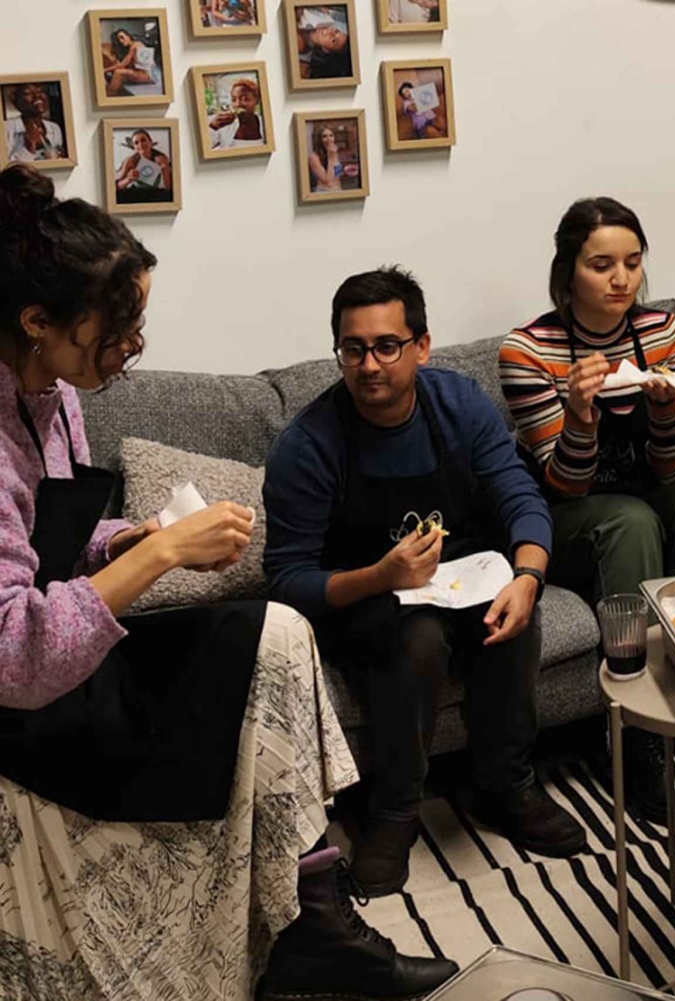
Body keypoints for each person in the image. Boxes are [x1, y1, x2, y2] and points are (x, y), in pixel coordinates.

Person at [0, 163, 455, 1001]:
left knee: (273, 634)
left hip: (68, 654)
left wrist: (133, 538)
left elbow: (48, 544)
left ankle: (312, 921)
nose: (133, 347)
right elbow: (16, 658)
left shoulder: (53, 394)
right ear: (38, 322)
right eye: (119, 328)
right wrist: (162, 556)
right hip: (25, 703)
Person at [263, 267, 586, 897]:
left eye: (387, 346)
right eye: (353, 349)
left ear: (422, 347)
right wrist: (380, 575)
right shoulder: (308, 445)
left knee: (513, 617)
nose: (369, 365)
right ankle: (393, 812)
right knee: (418, 637)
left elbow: (520, 495)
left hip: (462, 574)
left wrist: (528, 576)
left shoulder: (459, 405)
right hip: (365, 593)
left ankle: (507, 786)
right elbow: (287, 580)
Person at [500, 198, 675, 818]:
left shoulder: (666, 334)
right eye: (601, 265)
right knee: (629, 518)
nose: (620, 279)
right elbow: (565, 486)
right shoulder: (528, 350)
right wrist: (581, 414)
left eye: (632, 263)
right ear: (568, 273)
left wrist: (667, 410)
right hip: (567, 519)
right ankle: (635, 734)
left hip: (646, 499)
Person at [4, 83, 65, 163]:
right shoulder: (6, 128)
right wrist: (29, 148)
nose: (37, 95)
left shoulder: (54, 128)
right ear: (14, 99)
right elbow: (5, 166)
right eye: (28, 93)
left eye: (40, 91)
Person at [115, 129, 172, 203]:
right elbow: (117, 186)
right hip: (137, 193)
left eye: (143, 140)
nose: (140, 144)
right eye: (136, 143)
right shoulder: (130, 161)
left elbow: (168, 188)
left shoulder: (161, 159)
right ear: (134, 147)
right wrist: (128, 179)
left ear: (150, 142)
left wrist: (164, 170)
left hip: (155, 193)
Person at [102, 28, 162, 98]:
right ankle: (110, 93)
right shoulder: (132, 47)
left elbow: (122, 65)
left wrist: (105, 70)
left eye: (122, 37)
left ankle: (109, 95)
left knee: (119, 72)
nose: (121, 41)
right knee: (118, 74)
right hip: (148, 74)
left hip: (150, 75)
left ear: (128, 36)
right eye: (119, 40)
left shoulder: (136, 45)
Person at [209, 77, 267, 150]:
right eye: (234, 99)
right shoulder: (224, 126)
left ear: (257, 100)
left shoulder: (265, 124)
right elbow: (206, 148)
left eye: (245, 99)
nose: (237, 104)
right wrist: (213, 127)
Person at [297, 9, 352, 80]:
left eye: (333, 40)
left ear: (326, 50)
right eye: (336, 31)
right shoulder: (310, 19)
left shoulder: (300, 45)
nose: (330, 32)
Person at [308, 125, 358, 193]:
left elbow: (336, 175)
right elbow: (327, 181)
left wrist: (347, 172)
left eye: (331, 135)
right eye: (324, 136)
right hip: (324, 191)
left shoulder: (334, 153)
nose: (329, 139)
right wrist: (330, 157)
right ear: (319, 140)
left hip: (338, 190)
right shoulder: (314, 157)